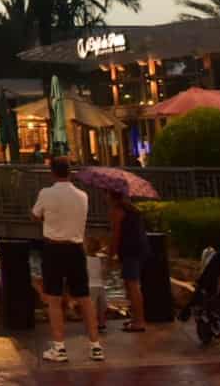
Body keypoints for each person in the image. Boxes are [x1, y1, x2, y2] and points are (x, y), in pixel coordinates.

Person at [32, 155, 102, 363]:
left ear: (52, 172)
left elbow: (35, 215)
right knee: (84, 298)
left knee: (53, 299)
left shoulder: (46, 193)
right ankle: (95, 346)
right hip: (76, 250)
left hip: (54, 249)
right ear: (70, 172)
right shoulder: (82, 196)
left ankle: (59, 347)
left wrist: (48, 218)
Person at [106, 187, 148, 332]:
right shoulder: (132, 210)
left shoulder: (117, 212)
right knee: (130, 285)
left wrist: (110, 256)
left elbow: (115, 236)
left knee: (133, 286)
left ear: (111, 196)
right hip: (139, 249)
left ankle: (140, 322)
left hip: (130, 252)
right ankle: (136, 318)